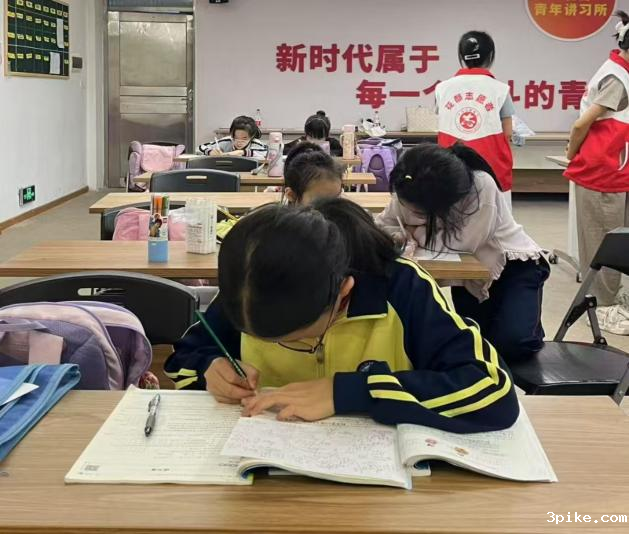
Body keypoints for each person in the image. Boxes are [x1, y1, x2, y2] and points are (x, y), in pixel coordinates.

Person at [165, 197, 519, 433]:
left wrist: (351, 392)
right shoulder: (250, 285)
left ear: (343, 293)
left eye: (299, 340)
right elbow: (185, 358)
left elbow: (493, 392)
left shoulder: (402, 288)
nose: (278, 346)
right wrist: (209, 368)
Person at [376, 143, 549, 364]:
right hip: (469, 277)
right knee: (474, 343)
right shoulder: (410, 185)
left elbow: (463, 243)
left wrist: (413, 233)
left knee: (514, 344)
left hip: (512, 267)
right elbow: (382, 225)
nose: (413, 214)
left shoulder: (481, 185)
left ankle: (530, 332)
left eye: (421, 213)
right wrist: (401, 234)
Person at [564, 10, 629, 335]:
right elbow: (581, 124)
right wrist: (571, 154)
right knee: (605, 242)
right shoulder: (617, 78)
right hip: (602, 173)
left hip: (613, 170)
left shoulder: (620, 72)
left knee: (611, 238)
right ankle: (604, 308)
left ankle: (609, 300)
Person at [435, 31, 514, 198]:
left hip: (450, 166)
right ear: (490, 56)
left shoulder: (442, 88)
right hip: (491, 168)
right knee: (493, 211)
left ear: (462, 56)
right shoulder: (500, 89)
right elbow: (508, 133)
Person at [197, 116, 267, 160]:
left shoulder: (255, 143)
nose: (239, 142)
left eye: (244, 138)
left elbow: (265, 153)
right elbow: (199, 148)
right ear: (232, 134)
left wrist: (241, 152)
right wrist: (210, 152)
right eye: (236, 137)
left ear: (251, 136)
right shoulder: (227, 141)